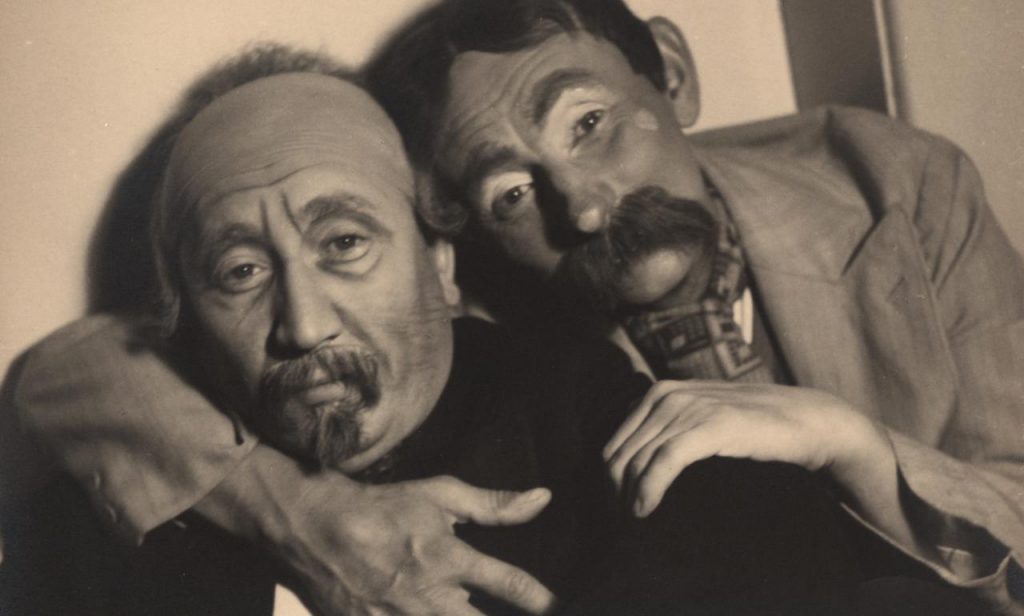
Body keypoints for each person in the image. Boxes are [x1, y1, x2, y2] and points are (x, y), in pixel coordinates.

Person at [6, 0, 1023, 612]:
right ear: (456, 249)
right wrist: (297, 509)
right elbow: (69, 374)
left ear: (672, 74)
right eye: (509, 191)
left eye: (589, 123)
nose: (583, 206)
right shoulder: (490, 315)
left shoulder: (889, 182)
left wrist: (845, 442)